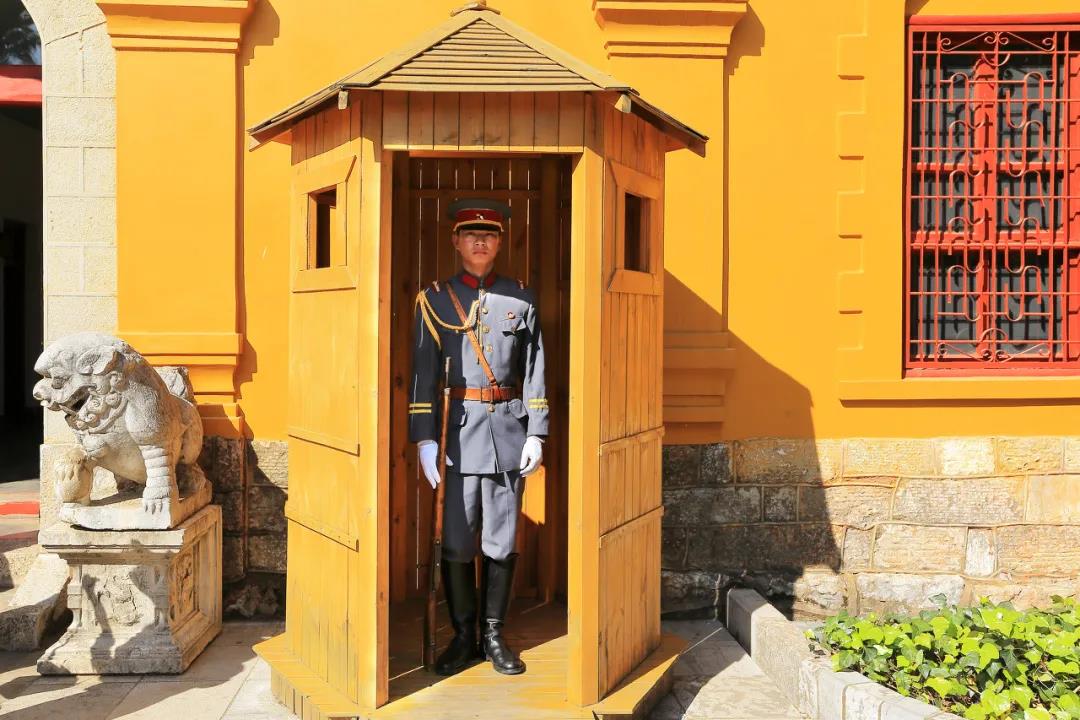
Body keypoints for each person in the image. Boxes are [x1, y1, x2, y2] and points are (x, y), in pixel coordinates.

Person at [409, 198, 548, 677]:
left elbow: (535, 370)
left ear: (500, 242)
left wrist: (537, 433)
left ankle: (493, 636)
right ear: (456, 241)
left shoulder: (521, 299)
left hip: (508, 434)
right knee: (456, 542)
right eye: (471, 234)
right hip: (457, 437)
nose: (480, 241)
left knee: (501, 541)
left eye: (489, 235)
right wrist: (424, 439)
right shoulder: (434, 300)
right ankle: (463, 636)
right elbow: (423, 373)